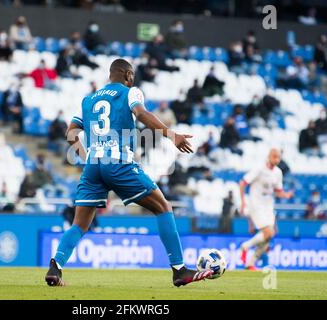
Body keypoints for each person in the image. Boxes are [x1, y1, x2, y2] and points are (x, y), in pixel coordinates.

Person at [45, 58, 214, 287]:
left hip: (94, 166)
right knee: (163, 207)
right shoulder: (131, 92)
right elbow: (141, 114)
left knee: (80, 224)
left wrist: (86, 157)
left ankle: (55, 268)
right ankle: (179, 270)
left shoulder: (88, 100)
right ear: (128, 75)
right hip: (119, 162)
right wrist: (172, 135)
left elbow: (71, 131)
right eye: (131, 75)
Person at [239, 149, 294, 271]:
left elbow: (278, 192)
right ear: (269, 156)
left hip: (268, 206)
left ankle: (250, 263)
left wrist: (286, 195)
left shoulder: (278, 172)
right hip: (256, 204)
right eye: (274, 157)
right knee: (268, 232)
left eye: (278, 157)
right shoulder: (259, 168)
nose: (277, 160)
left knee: (270, 235)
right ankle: (245, 247)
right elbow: (242, 183)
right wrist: (243, 202)